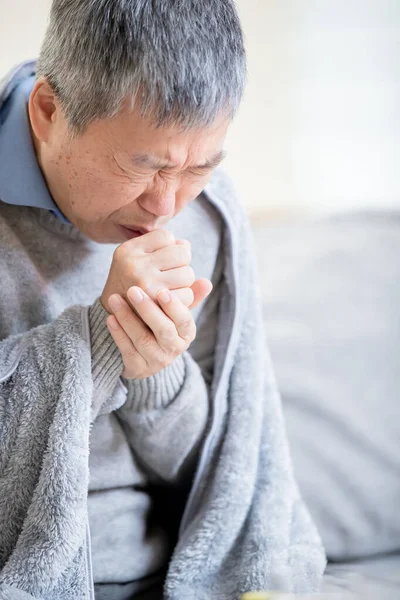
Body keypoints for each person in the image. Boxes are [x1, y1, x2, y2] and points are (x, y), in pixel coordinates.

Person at [0, 1, 326, 599]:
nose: (168, 206)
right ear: (47, 111)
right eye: (143, 165)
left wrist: (155, 374)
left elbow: (218, 481)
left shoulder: (211, 216)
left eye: (200, 166)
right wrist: (96, 345)